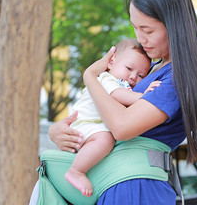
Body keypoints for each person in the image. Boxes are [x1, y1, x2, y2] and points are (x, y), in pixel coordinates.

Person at [48, 0, 197, 205]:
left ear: (174, 24)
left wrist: (90, 76)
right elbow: (104, 113)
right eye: (135, 28)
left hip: (137, 187)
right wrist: (63, 132)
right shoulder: (152, 68)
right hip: (118, 183)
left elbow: (121, 127)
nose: (140, 38)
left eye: (148, 30)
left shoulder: (179, 76)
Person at [65, 38, 160, 197]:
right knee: (105, 140)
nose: (133, 76)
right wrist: (143, 96)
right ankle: (76, 171)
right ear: (111, 62)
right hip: (85, 123)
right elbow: (117, 94)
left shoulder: (125, 86)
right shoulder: (106, 79)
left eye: (141, 75)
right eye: (129, 68)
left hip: (93, 126)